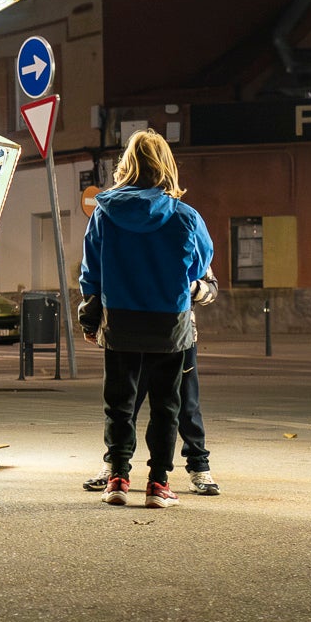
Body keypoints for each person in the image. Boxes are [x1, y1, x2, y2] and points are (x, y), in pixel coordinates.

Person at [76, 129, 215, 510]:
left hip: (120, 320)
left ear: (127, 164)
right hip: (169, 324)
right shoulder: (186, 217)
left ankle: (118, 477)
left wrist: (90, 321)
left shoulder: (104, 214)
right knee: (167, 405)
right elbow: (201, 268)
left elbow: (90, 274)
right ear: (166, 166)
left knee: (119, 404)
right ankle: (158, 484)